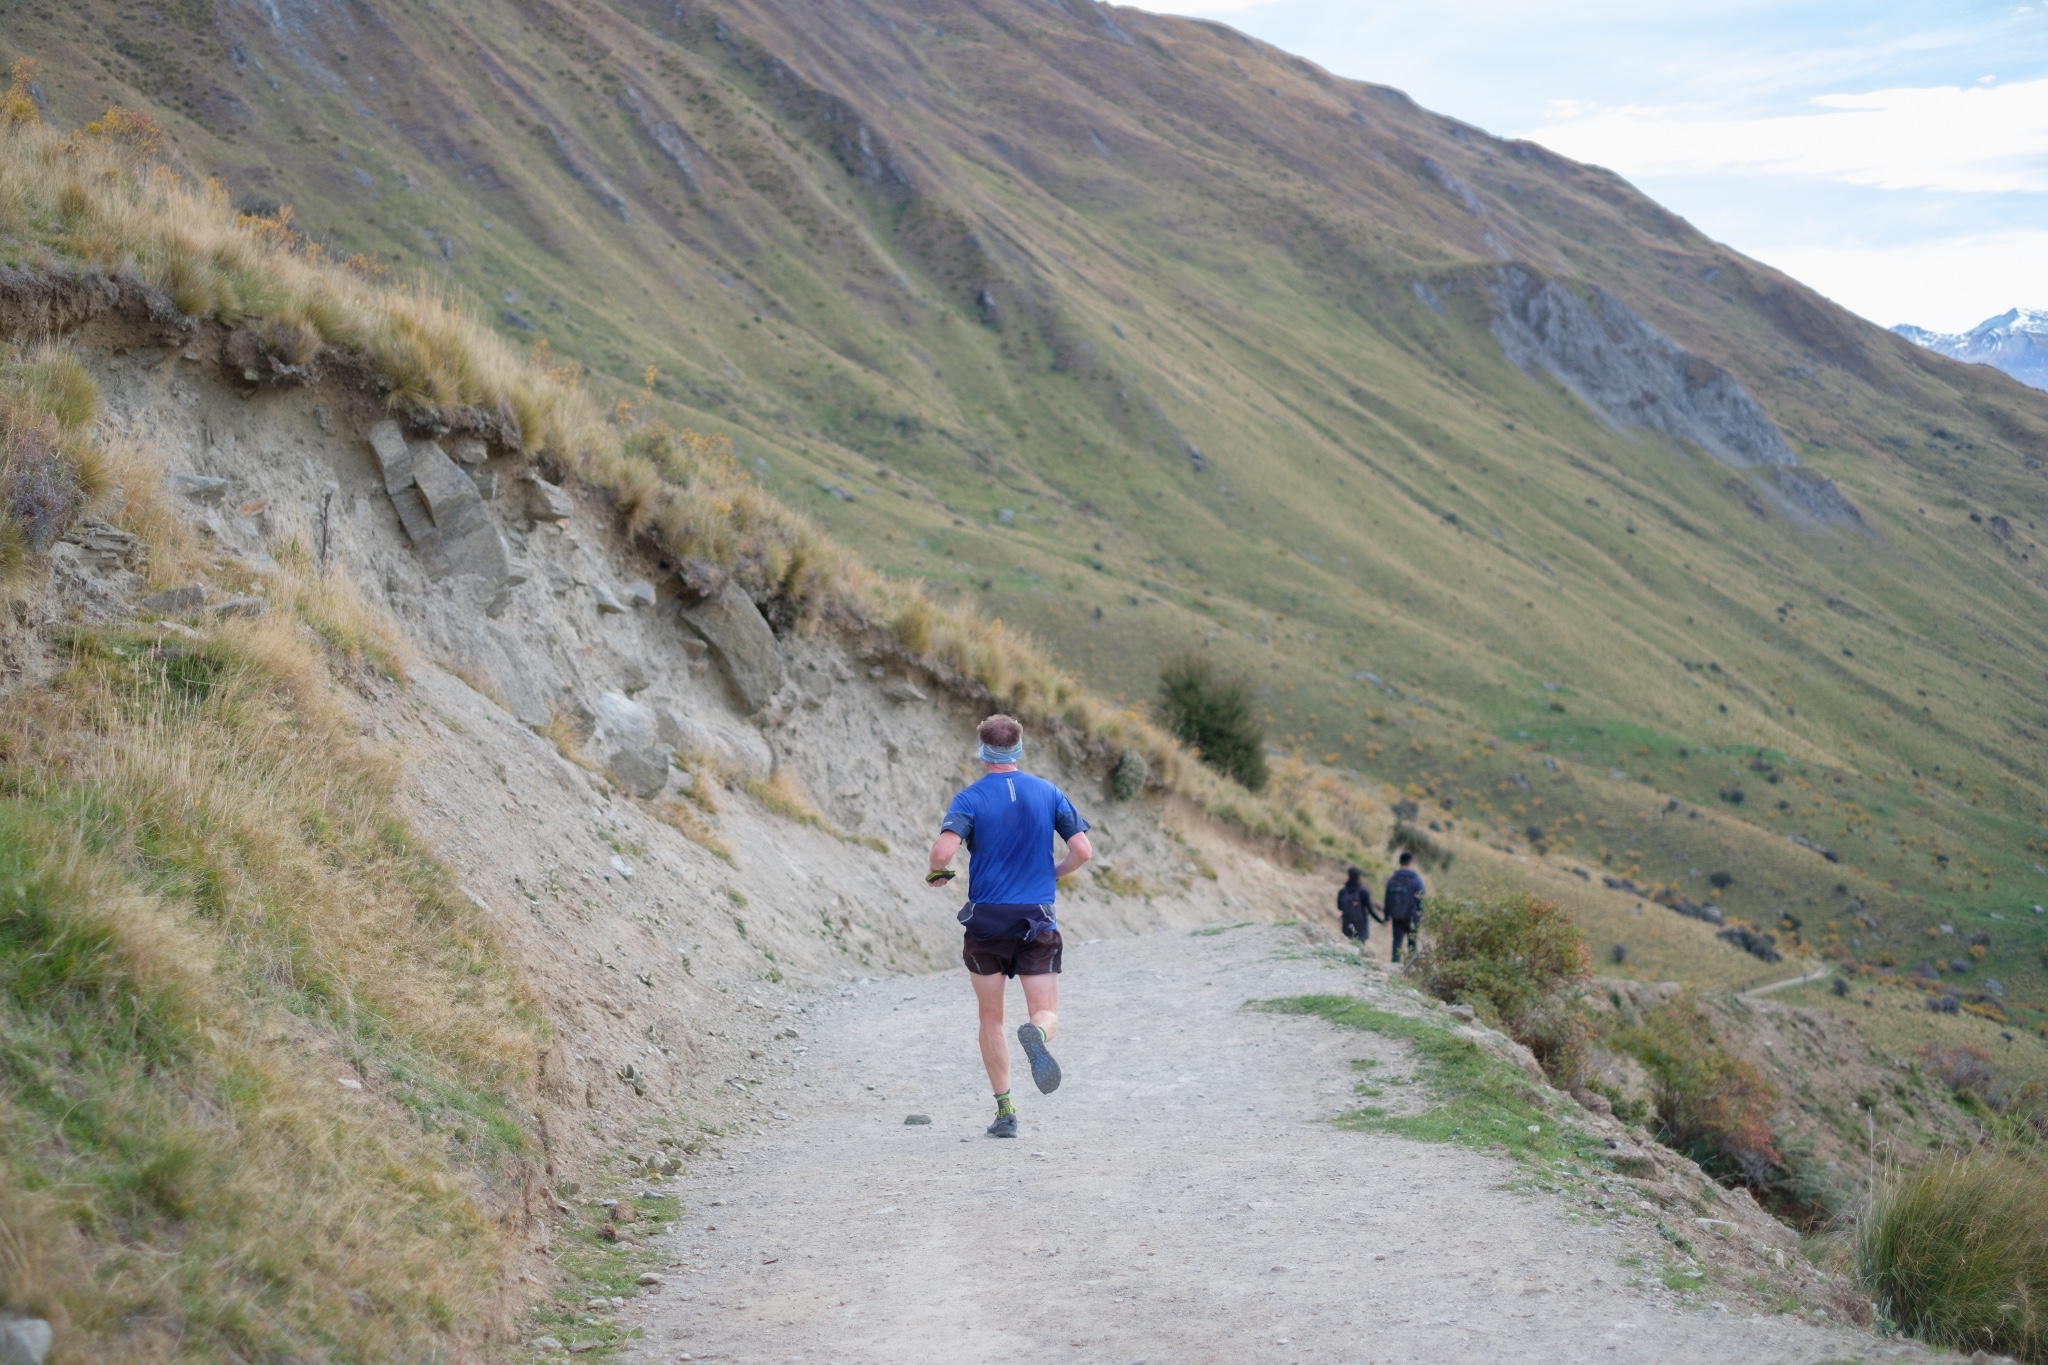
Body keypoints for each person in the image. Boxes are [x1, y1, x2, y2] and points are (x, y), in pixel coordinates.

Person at [927, 713, 1094, 1138]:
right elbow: (1083, 851)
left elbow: (945, 850)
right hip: (1035, 916)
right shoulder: (1050, 792)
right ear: (1019, 748)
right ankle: (1036, 1033)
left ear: (983, 751)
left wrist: (936, 873)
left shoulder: (969, 798)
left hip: (986, 921)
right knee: (1046, 1011)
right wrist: (1051, 873)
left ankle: (1005, 1112)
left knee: (990, 1018)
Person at [1383, 850, 1426, 964]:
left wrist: (1387, 917)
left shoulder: (1392, 879)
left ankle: (1394, 965)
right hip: (1412, 917)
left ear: (1400, 862)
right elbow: (1421, 898)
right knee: (1412, 943)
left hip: (1396, 915)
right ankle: (1410, 968)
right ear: (1411, 863)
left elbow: (1387, 899)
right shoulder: (1416, 879)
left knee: (1397, 942)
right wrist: (1421, 914)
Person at [1337, 866, 1374, 944]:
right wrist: (1382, 921)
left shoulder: (1342, 891)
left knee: (1347, 944)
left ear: (1348, 876)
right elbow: (1370, 910)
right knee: (1360, 946)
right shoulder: (1363, 891)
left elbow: (1340, 907)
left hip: (1347, 922)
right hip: (1361, 924)